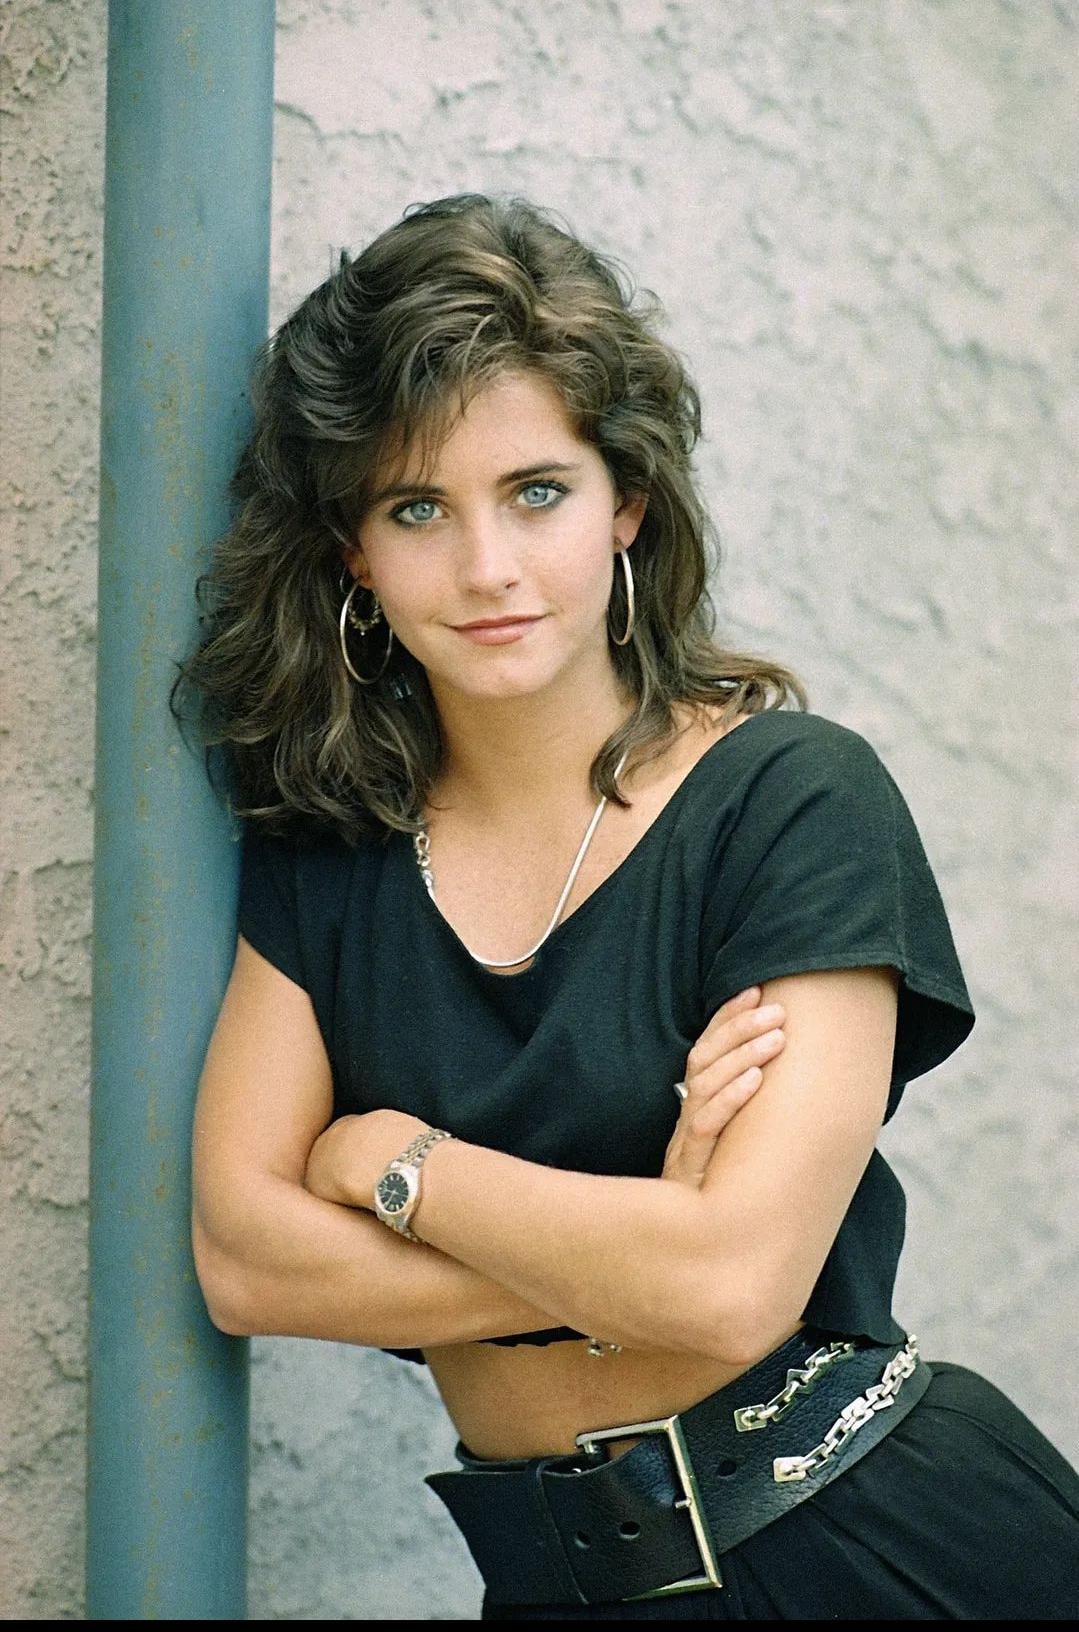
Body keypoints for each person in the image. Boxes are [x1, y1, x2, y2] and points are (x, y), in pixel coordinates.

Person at [176, 192, 1079, 1620]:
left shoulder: (791, 802)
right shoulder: (330, 852)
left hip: (876, 1548)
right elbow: (242, 1261)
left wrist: (401, 1165)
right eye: (418, 508)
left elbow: (734, 1292)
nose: (487, 567)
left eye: (538, 491)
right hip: (551, 1585)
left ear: (628, 505)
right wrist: (645, 1236)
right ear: (353, 551)